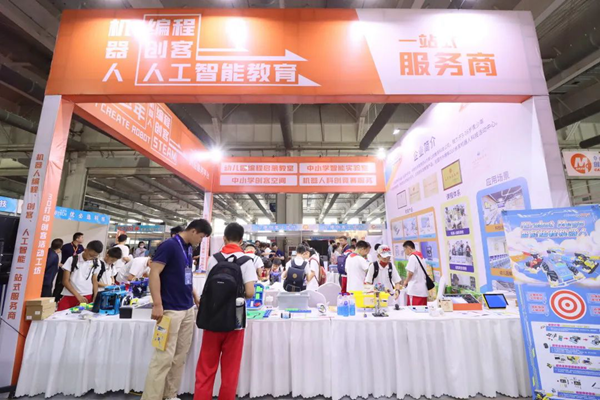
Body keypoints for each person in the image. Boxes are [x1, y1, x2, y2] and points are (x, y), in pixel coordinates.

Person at [142, 219, 212, 400]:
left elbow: (186, 275)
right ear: (194, 231)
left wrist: (195, 296)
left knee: (180, 356)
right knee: (163, 357)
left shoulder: (187, 248)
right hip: (170, 310)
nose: (201, 241)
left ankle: (170, 394)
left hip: (187, 308)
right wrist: (157, 304)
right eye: (201, 237)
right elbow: (154, 273)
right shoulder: (169, 246)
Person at [195, 222, 257, 400]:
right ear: (242, 240)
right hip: (235, 320)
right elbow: (250, 292)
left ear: (224, 238)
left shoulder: (213, 259)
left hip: (212, 317)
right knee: (230, 370)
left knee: (206, 368)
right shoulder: (247, 261)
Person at [57, 240, 104, 311]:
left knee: (83, 316)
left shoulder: (97, 262)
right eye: (90, 255)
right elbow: (65, 281)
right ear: (85, 250)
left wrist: (95, 295)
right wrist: (78, 295)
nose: (91, 258)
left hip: (87, 295)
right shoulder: (72, 259)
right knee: (61, 315)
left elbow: (94, 280)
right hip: (70, 294)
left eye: (95, 256)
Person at [54, 232, 85, 301]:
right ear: (77, 238)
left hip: (74, 270)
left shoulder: (81, 247)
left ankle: (64, 299)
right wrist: (58, 263)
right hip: (64, 269)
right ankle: (55, 300)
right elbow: (56, 252)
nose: (83, 239)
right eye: (82, 237)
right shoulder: (66, 246)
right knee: (60, 285)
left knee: (70, 285)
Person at [403, 240, 429, 306]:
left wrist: (406, 281)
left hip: (415, 291)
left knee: (412, 311)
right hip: (423, 291)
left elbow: (410, 273)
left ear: (409, 248)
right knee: (422, 311)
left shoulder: (412, 257)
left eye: (404, 250)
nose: (405, 252)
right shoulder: (421, 257)